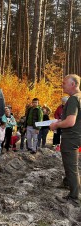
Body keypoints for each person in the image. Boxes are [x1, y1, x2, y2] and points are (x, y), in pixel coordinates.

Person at [50, 74, 81, 207]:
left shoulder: (73, 99)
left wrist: (56, 125)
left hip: (71, 137)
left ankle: (74, 197)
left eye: (64, 83)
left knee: (71, 166)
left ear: (73, 84)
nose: (62, 84)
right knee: (72, 166)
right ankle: (68, 182)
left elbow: (70, 122)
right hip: (78, 135)